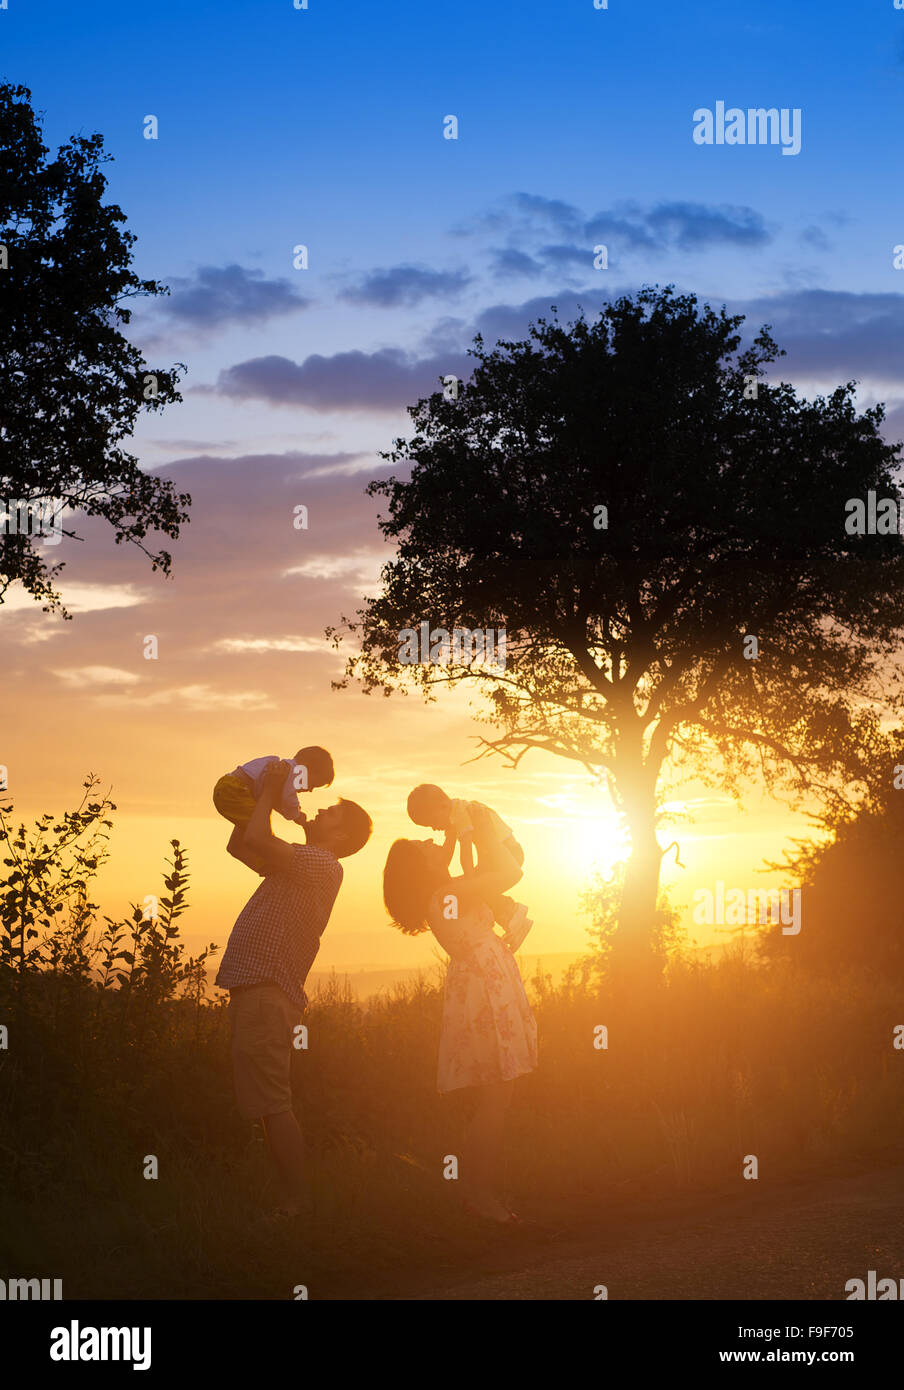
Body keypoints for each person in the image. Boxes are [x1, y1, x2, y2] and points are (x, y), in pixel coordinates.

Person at [215, 758, 372, 1213]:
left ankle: (295, 1201)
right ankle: (289, 1197)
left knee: (273, 1100)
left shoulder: (322, 865)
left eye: (330, 815)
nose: (317, 812)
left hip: (268, 989)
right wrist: (253, 794)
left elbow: (260, 838)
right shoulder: (300, 862)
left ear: (340, 838)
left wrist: (273, 788)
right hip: (254, 987)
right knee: (265, 1100)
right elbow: (242, 844)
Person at [383, 804, 537, 1224]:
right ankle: (479, 1198)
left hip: (487, 978)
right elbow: (510, 875)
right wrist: (481, 826)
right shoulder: (448, 894)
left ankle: (477, 1193)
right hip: (486, 985)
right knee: (495, 1100)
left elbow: (455, 851)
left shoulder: (446, 891)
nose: (434, 841)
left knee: (495, 1099)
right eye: (424, 844)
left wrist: (462, 829)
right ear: (421, 866)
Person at [406, 783, 532, 951]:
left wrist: (471, 882)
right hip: (496, 855)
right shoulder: (444, 896)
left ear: (443, 806)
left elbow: (465, 854)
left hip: (509, 852)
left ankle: (512, 913)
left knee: (480, 887)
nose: (434, 829)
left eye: (433, 822)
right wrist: (470, 883)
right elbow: (447, 853)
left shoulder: (460, 815)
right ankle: (511, 915)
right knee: (481, 888)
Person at [213, 745, 334, 875]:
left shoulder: (283, 769)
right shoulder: (292, 772)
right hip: (235, 792)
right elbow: (289, 800)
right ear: (306, 768)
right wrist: (297, 816)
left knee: (252, 833)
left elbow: (277, 801)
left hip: (229, 788)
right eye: (313, 785)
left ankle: (262, 865)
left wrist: (290, 813)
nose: (310, 790)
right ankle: (268, 862)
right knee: (263, 834)